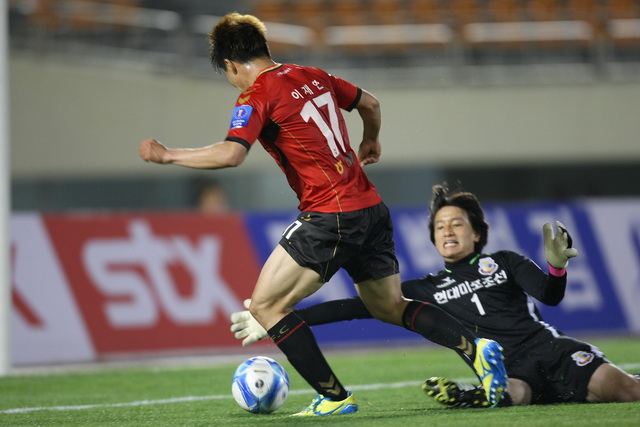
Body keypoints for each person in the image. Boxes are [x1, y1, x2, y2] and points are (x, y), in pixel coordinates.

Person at [139, 13, 507, 416]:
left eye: (227, 74)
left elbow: (231, 154)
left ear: (230, 64)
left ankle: (334, 398)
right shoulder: (313, 75)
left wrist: (169, 155)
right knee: (390, 306)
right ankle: (476, 349)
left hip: (331, 213)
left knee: (266, 307)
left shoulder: (256, 95)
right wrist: (371, 139)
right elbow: (370, 103)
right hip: (370, 208)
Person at [231, 183, 640, 407]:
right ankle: (469, 396)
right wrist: (280, 316)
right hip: (508, 371)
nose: (447, 230)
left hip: (551, 351)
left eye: (457, 224)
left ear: (476, 233)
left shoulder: (505, 261)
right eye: (440, 226)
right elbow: (354, 308)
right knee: (510, 396)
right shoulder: (423, 290)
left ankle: (473, 395)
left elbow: (550, 296)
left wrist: (557, 267)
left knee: (627, 392)